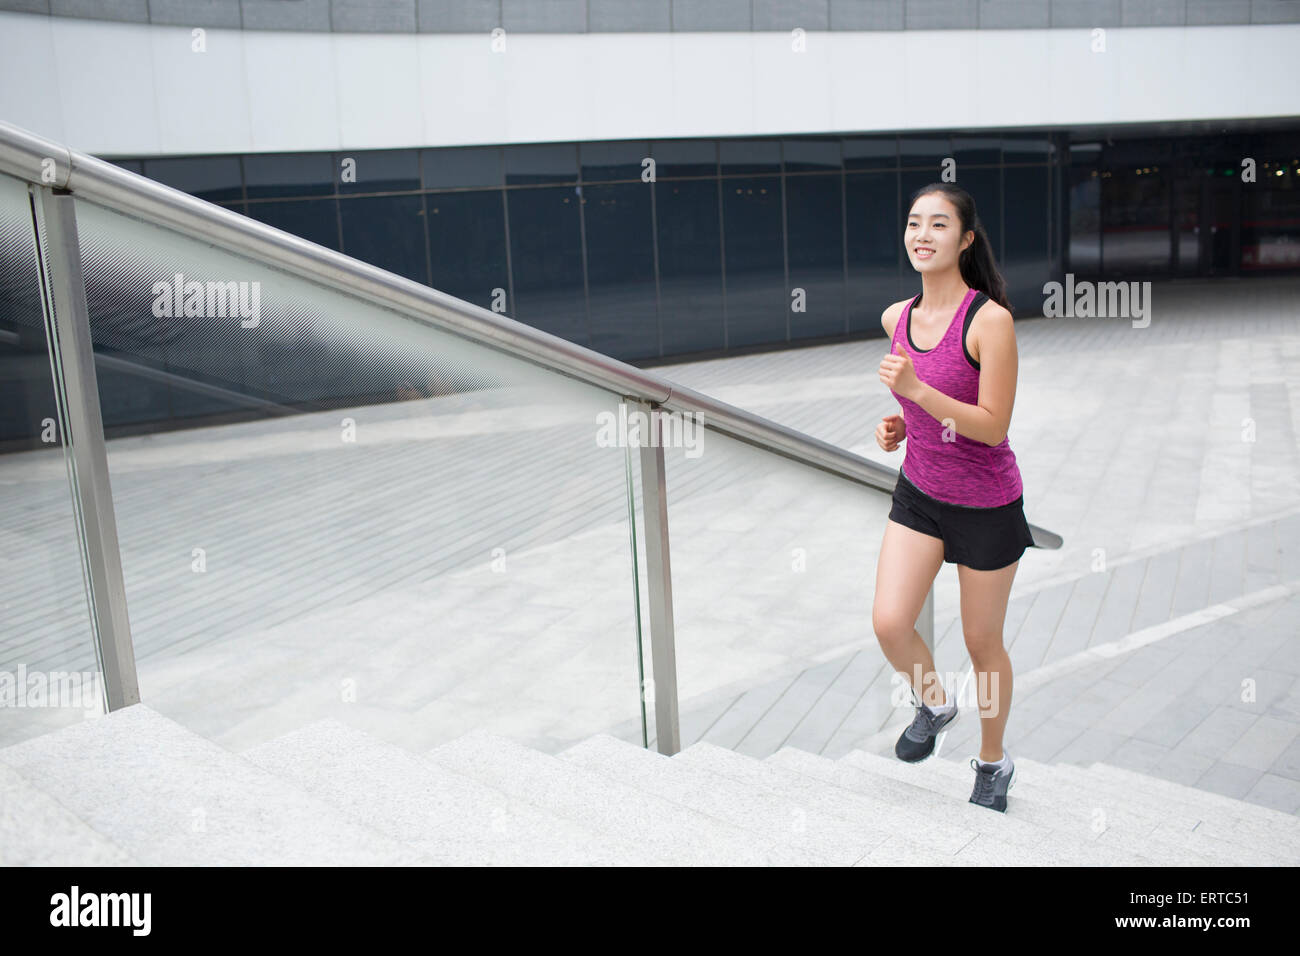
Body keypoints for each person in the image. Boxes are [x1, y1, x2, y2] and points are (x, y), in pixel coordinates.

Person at [873, 183, 1034, 813]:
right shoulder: (896, 319)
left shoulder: (989, 321)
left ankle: (993, 762)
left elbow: (992, 424)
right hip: (921, 492)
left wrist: (916, 390)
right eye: (914, 223)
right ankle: (936, 704)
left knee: (981, 642)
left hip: (987, 506)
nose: (922, 235)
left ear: (965, 240)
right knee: (889, 622)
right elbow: (915, 409)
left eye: (938, 225)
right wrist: (894, 425)